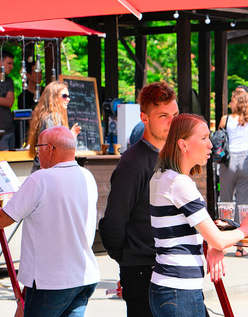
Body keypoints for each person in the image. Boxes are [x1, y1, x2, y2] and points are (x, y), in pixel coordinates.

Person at [149, 113, 248, 317]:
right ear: (183, 144)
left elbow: (186, 227)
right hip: (179, 290)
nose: (211, 144)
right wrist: (245, 229)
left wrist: (212, 245)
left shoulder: (161, 176)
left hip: (167, 287)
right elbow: (218, 239)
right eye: (204, 138)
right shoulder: (179, 182)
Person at [0, 126, 100, 316]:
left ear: (49, 148)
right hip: (84, 278)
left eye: (37, 148)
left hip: (51, 282)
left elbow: (2, 219)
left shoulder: (41, 179)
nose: (36, 154)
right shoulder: (87, 176)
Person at [99, 81, 179, 317]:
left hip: (170, 268)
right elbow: (113, 224)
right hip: (144, 271)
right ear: (144, 118)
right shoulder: (133, 162)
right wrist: (130, 261)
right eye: (163, 115)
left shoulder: (173, 155)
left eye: (174, 114)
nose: (171, 122)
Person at [218, 89, 248, 257]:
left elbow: (219, 140)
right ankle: (240, 246)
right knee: (242, 203)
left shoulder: (225, 119)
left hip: (228, 162)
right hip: (246, 160)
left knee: (225, 201)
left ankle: (221, 244)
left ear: (235, 102)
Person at [27, 81, 81, 172]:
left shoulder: (44, 115)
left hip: (41, 170)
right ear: (53, 97)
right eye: (64, 96)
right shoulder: (53, 117)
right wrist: (70, 138)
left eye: (69, 96)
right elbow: (56, 149)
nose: (68, 99)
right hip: (49, 171)